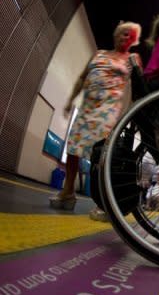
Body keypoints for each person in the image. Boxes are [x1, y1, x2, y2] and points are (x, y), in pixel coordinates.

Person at [49, 21, 143, 222]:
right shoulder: (99, 54)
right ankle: (67, 192)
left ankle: (105, 203)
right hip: (87, 108)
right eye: (122, 33)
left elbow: (138, 86)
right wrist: (69, 100)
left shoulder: (132, 58)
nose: (125, 37)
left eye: (130, 35)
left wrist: (132, 113)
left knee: (102, 154)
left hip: (108, 111)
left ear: (133, 40)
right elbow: (83, 78)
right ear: (115, 34)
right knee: (73, 148)